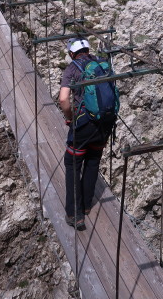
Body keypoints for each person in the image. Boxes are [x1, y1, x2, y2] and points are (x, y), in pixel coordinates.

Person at [59, 38, 115, 231]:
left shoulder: (72, 68)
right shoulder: (101, 63)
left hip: (85, 123)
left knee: (72, 163)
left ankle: (75, 215)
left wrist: (69, 117)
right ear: (88, 50)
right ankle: (86, 205)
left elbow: (64, 99)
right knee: (92, 161)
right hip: (106, 123)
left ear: (72, 54)